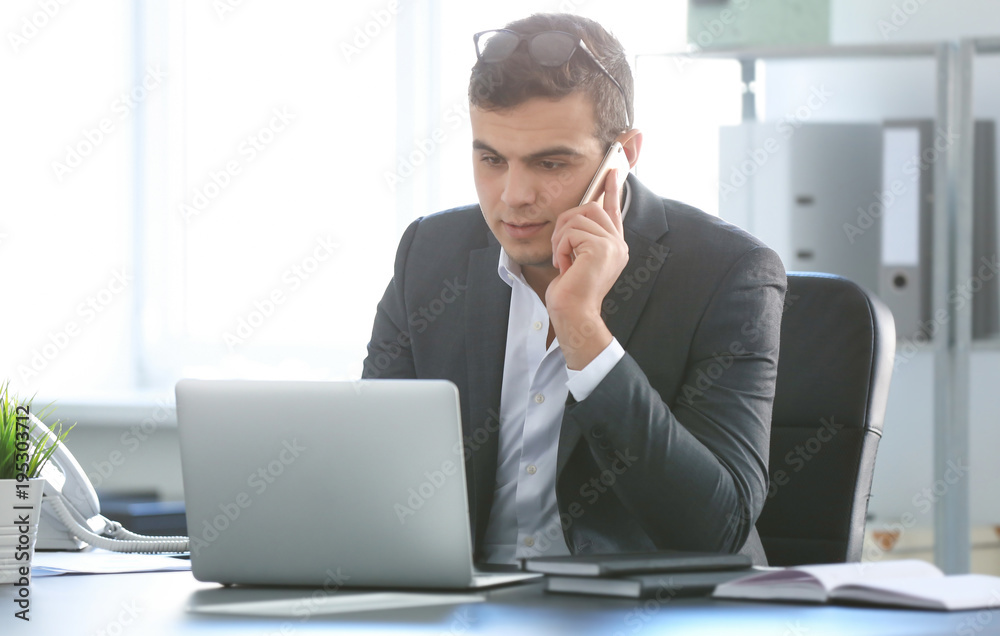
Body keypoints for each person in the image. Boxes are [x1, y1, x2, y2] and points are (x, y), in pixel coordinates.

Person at [363, 13, 785, 566]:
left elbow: (717, 529)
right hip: (463, 607)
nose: (513, 196)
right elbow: (370, 463)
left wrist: (583, 329)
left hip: (642, 616)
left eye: (551, 162)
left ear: (623, 157)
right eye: (491, 158)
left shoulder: (729, 273)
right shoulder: (429, 254)